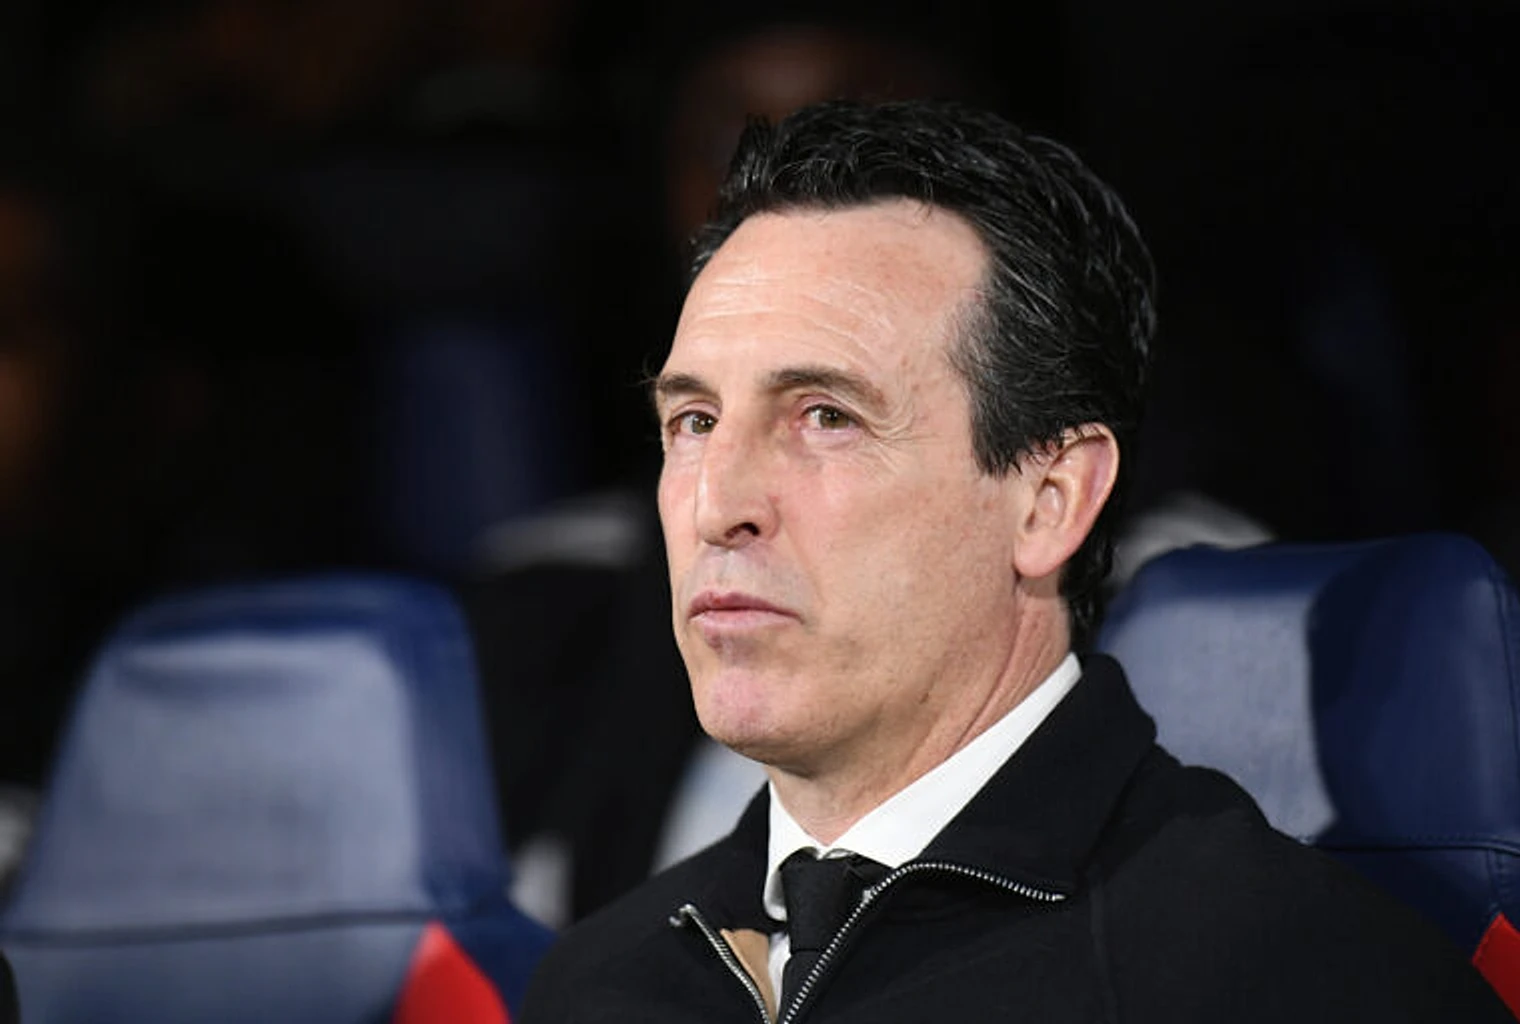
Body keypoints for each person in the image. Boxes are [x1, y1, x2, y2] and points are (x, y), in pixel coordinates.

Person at [522, 99, 1508, 1022]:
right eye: (693, 420)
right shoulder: (595, 985)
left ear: (1049, 500)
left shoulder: (1289, 982)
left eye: (825, 416)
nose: (717, 505)